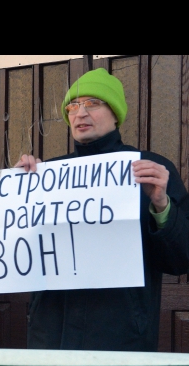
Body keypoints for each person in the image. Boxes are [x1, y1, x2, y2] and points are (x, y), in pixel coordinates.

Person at [15, 68, 189, 351]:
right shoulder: (45, 176)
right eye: (72, 106)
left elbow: (181, 259)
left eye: (92, 104)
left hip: (120, 335)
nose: (80, 113)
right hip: (51, 334)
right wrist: (15, 193)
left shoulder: (151, 170)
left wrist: (161, 205)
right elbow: (19, 251)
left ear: (116, 113)